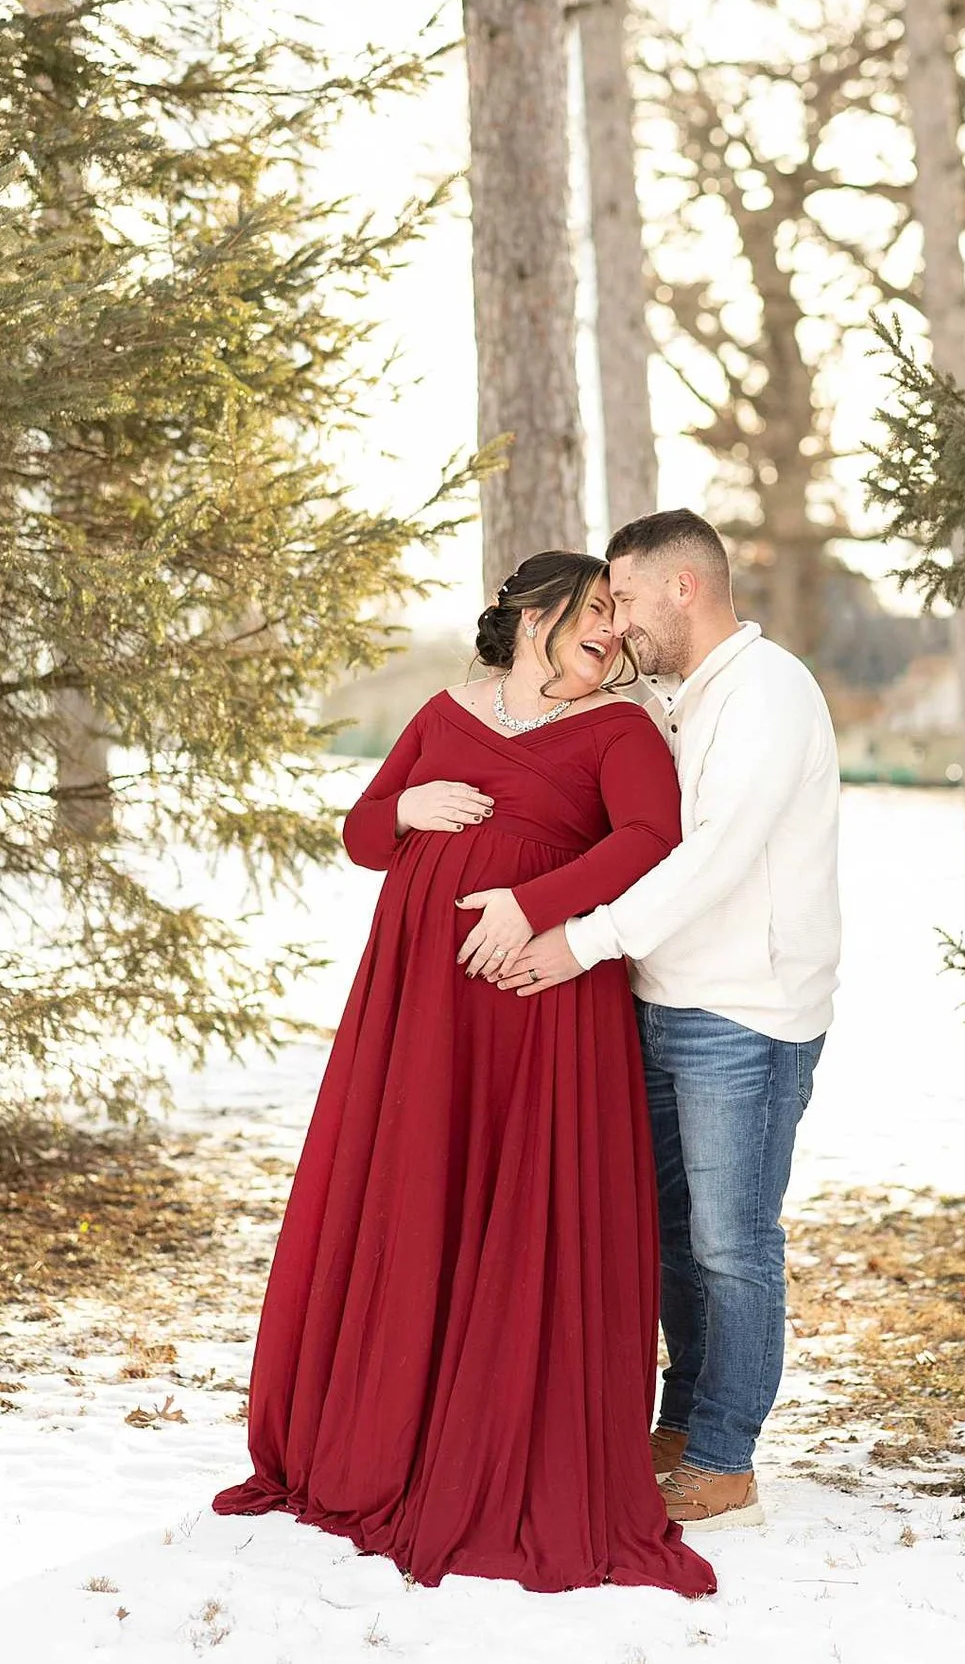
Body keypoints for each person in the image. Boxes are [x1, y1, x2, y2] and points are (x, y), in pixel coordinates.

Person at [214, 551, 715, 1597]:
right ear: (536, 615)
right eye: (594, 616)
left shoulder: (621, 730)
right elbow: (360, 835)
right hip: (420, 1016)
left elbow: (653, 839)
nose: (610, 638)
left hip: (539, 1010)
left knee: (515, 1210)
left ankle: (493, 1438)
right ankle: (391, 1425)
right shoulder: (446, 713)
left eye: (619, 625)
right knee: (419, 1199)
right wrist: (406, 808)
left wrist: (534, 904)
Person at [491, 509, 841, 1536]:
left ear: (684, 588)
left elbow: (712, 858)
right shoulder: (685, 699)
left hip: (747, 1011)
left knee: (734, 1244)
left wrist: (579, 940)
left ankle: (726, 1460)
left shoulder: (768, 695)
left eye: (630, 599)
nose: (621, 622)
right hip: (667, 997)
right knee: (676, 1243)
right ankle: (684, 1428)